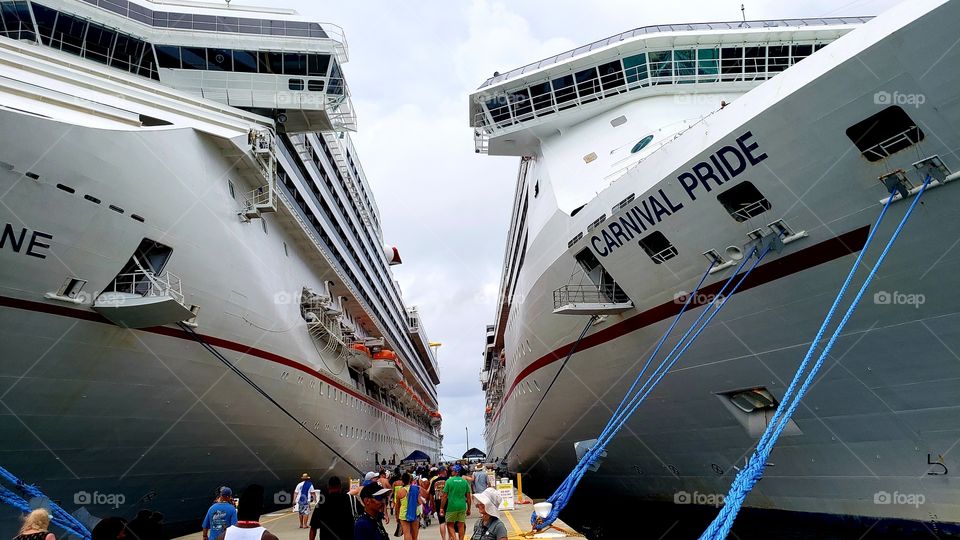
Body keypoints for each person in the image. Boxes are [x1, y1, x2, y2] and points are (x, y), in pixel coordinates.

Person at [308, 476, 354, 540]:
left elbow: (313, 527)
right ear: (340, 486)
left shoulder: (322, 502)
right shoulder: (349, 499)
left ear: (328, 487)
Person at [440, 465, 471, 540]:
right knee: (461, 525)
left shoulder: (449, 481)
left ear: (456, 472)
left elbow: (444, 496)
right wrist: (469, 508)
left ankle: (454, 538)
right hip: (462, 506)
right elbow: (468, 497)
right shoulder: (464, 482)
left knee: (450, 525)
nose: (451, 472)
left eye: (453, 471)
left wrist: (441, 507)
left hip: (451, 507)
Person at [394, 473, 421, 540]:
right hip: (415, 513)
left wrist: (397, 516)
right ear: (410, 480)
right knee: (415, 533)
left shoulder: (400, 491)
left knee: (407, 533)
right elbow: (419, 502)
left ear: (402, 480)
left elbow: (397, 506)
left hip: (403, 514)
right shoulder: (416, 489)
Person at [428, 468, 448, 540]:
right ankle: (451, 537)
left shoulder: (434, 481)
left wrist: (432, 504)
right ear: (444, 472)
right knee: (449, 522)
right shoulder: (448, 480)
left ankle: (443, 538)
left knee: (441, 522)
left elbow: (431, 494)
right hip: (448, 501)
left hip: (438, 502)